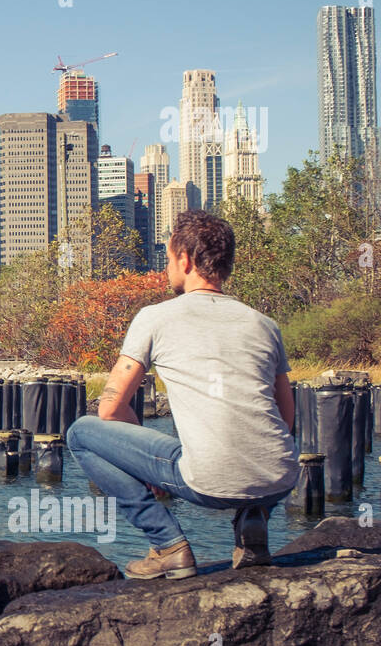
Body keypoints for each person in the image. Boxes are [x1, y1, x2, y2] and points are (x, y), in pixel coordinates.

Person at [65, 209, 297, 580]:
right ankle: (254, 517)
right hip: (281, 476)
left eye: (169, 259)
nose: (166, 268)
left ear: (185, 260)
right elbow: (286, 418)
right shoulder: (264, 324)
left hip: (206, 481)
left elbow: (110, 408)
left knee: (80, 434)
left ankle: (168, 545)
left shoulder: (156, 317)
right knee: (268, 455)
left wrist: (141, 461)